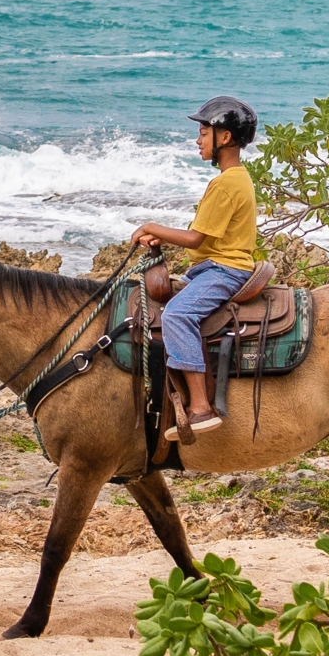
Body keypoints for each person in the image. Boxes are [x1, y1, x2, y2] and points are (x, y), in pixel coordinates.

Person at [130, 96, 264, 461]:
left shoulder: (227, 184)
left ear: (225, 137)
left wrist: (151, 226)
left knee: (177, 315)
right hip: (212, 267)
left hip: (224, 270)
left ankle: (201, 407)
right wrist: (161, 236)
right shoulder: (234, 179)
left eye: (204, 132)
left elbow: (195, 239)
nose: (198, 140)